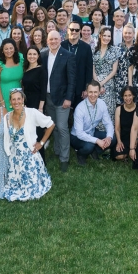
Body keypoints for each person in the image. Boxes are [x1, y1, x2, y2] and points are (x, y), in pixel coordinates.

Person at [3, 89, 54, 201]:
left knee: (31, 189)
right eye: (13, 99)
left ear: (23, 100)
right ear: (10, 102)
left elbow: (50, 124)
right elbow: (7, 138)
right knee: (13, 187)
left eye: (19, 99)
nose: (16, 102)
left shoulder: (32, 113)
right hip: (14, 158)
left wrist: (41, 143)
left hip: (30, 156)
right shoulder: (7, 117)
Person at [43, 29, 77, 172]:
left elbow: (72, 80)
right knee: (53, 126)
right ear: (47, 41)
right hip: (48, 97)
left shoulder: (68, 56)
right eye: (51, 39)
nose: (53, 41)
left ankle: (64, 158)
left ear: (60, 40)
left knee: (62, 127)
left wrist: (68, 98)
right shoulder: (43, 55)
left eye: (56, 39)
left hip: (62, 98)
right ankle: (57, 151)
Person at [71, 82, 114, 165]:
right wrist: (97, 141)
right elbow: (79, 133)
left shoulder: (102, 104)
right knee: (89, 145)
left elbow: (108, 123)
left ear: (99, 92)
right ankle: (81, 154)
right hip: (76, 137)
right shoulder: (80, 108)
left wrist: (108, 137)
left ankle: (94, 151)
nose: (93, 95)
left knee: (113, 138)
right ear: (86, 92)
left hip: (92, 132)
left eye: (95, 92)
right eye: (90, 92)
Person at [0, 38, 25, 112]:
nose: (9, 51)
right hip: (4, 95)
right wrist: (1, 101)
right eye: (6, 49)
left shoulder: (20, 58)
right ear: (2, 50)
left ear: (15, 48)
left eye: (11, 48)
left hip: (18, 95)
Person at [113, 86, 138, 162]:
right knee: (119, 156)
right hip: (123, 138)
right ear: (122, 97)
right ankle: (127, 154)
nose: (128, 98)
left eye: (130, 95)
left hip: (136, 138)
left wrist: (136, 141)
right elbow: (117, 128)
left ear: (133, 95)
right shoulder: (119, 109)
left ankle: (130, 152)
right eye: (125, 96)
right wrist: (119, 141)